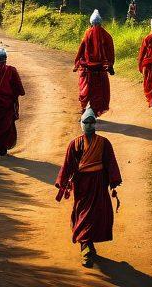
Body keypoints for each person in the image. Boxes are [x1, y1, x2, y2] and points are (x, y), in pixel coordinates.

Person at [55, 106, 122, 267]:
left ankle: (87, 246)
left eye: (92, 122)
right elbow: (68, 165)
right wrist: (63, 182)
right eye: (87, 122)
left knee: (97, 214)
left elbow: (110, 162)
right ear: (82, 124)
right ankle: (86, 248)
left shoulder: (104, 143)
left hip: (99, 183)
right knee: (84, 214)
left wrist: (113, 181)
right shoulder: (75, 144)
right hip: (82, 185)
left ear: (96, 124)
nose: (90, 125)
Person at [73, 10, 114, 116]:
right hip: (100, 70)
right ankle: (94, 112)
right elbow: (110, 52)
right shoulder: (106, 35)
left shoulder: (87, 33)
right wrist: (110, 65)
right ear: (101, 23)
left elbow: (81, 50)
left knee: (86, 91)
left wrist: (77, 63)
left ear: (91, 23)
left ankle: (84, 111)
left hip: (87, 70)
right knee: (99, 93)